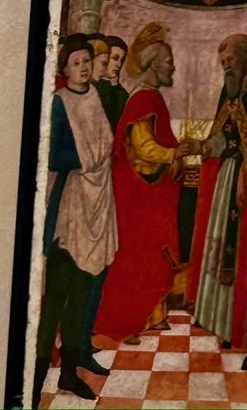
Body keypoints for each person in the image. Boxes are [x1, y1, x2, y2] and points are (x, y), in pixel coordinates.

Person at [94, 29, 195, 345]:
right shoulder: (143, 99)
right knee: (139, 255)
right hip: (137, 194)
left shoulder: (152, 96)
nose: (172, 67)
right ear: (153, 65)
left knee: (154, 254)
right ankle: (126, 322)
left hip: (149, 193)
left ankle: (153, 316)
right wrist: (173, 154)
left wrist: (175, 154)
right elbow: (142, 148)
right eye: (168, 61)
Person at [188, 35, 247, 369]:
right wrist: (202, 147)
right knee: (220, 246)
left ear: (245, 57)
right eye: (223, 61)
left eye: (229, 59)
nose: (226, 65)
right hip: (227, 179)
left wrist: (244, 171)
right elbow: (223, 135)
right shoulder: (229, 91)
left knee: (241, 250)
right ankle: (220, 320)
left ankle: (242, 326)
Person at [35, 36, 117, 401]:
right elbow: (52, 154)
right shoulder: (59, 102)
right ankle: (33, 381)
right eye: (76, 62)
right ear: (65, 68)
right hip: (69, 212)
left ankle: (68, 375)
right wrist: (88, 160)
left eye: (87, 61)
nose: (83, 67)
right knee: (55, 302)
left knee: (81, 300)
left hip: (97, 211)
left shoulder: (96, 96)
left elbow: (106, 144)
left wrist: (95, 160)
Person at [90, 37, 129, 129]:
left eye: (121, 60)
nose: (119, 65)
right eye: (115, 58)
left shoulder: (122, 93)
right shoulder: (90, 86)